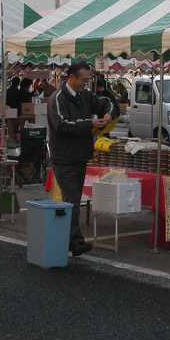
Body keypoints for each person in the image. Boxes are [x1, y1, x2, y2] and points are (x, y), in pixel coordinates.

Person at [47, 61, 113, 256]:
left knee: (73, 199)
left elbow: (104, 102)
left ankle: (70, 241)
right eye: (83, 80)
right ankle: (74, 242)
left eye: (88, 80)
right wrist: (90, 123)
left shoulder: (85, 95)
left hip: (80, 155)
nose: (86, 83)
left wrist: (108, 113)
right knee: (72, 199)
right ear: (72, 77)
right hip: (63, 157)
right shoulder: (57, 98)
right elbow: (62, 125)